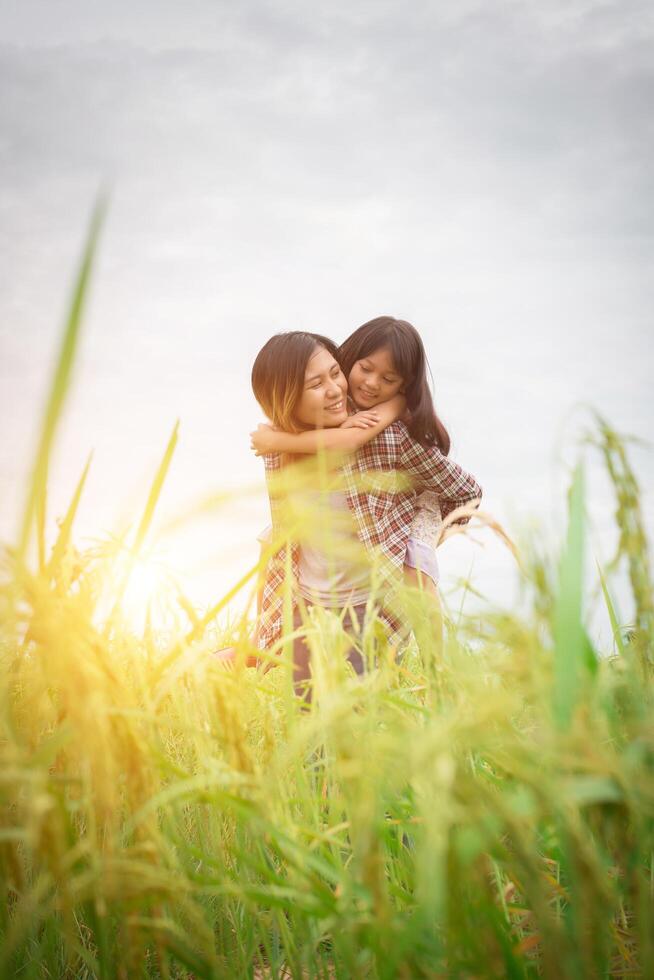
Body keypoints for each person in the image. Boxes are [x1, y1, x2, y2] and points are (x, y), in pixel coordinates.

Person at [250, 328, 482, 699]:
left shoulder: (385, 435)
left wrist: (410, 541)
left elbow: (465, 491)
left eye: (334, 374)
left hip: (370, 610)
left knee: (368, 721)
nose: (335, 389)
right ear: (285, 397)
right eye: (316, 383)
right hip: (306, 609)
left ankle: (441, 684)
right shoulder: (276, 451)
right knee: (308, 722)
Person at [251, 316, 463, 599]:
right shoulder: (340, 405)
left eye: (388, 379)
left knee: (415, 565)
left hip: (417, 503)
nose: (372, 384)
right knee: (271, 540)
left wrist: (279, 440)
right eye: (364, 369)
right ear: (351, 360)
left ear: (403, 385)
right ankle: (259, 638)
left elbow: (349, 442)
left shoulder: (391, 415)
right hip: (333, 574)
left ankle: (434, 645)